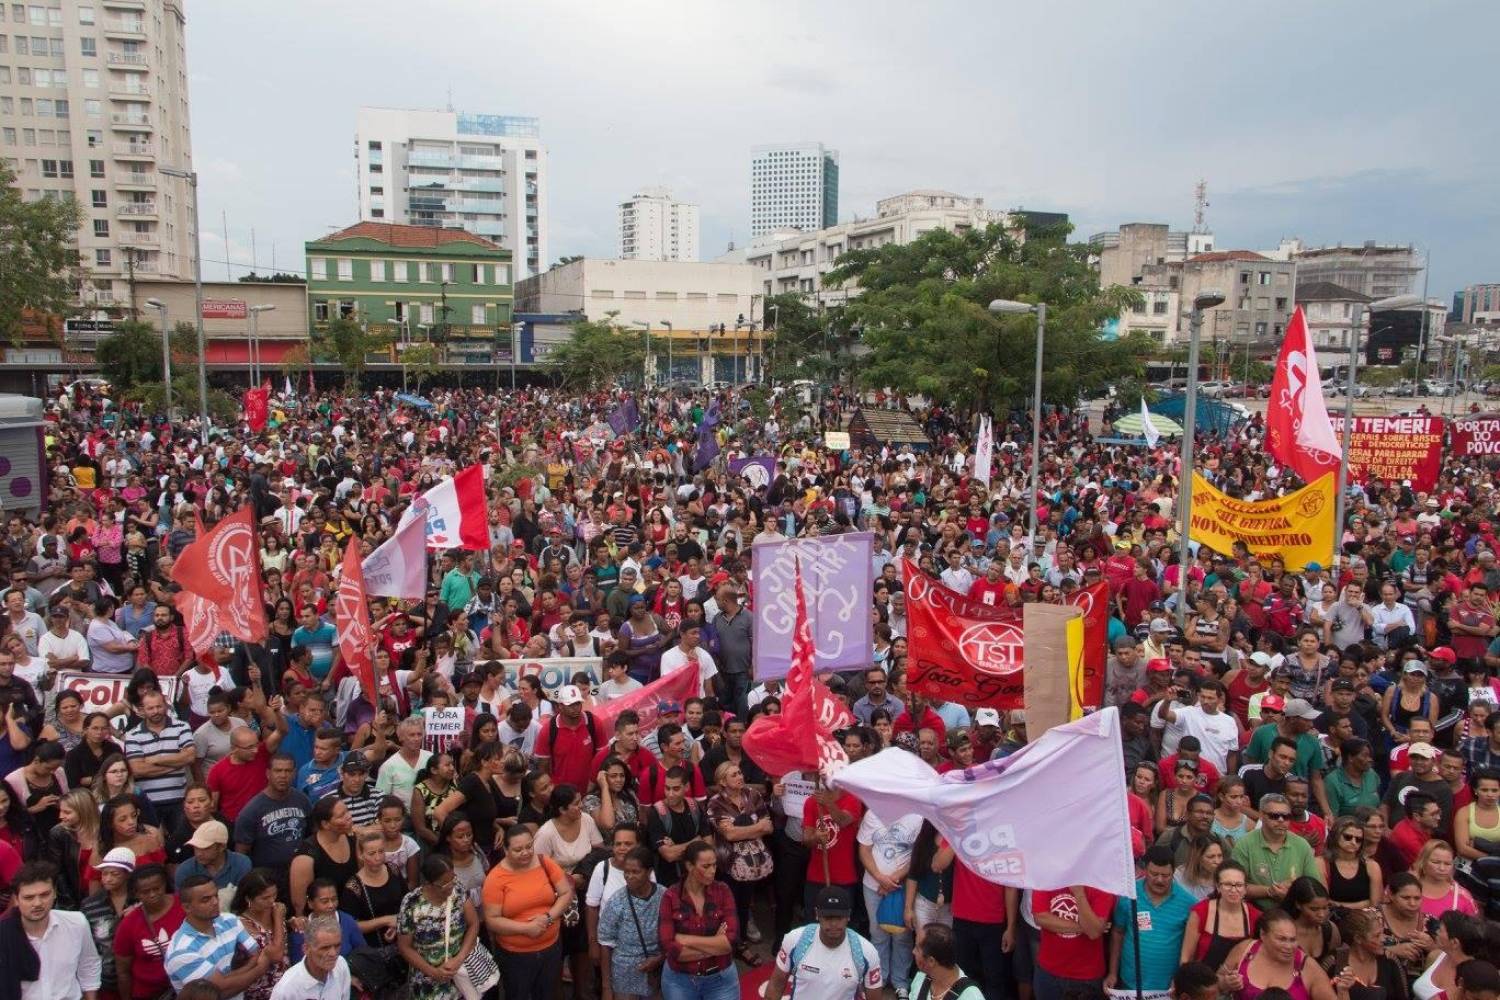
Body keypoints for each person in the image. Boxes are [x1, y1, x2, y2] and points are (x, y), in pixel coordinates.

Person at [482, 824, 572, 1000]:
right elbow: (492, 920)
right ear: (506, 850)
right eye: (518, 849)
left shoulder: (546, 862)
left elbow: (565, 892)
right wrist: (526, 928)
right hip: (515, 955)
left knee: (546, 994)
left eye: (529, 846)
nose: (525, 852)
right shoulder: (496, 878)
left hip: (550, 947)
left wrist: (548, 917)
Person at [706, 761, 773, 965]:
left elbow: (769, 827)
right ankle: (728, 944)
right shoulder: (715, 803)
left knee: (744, 905)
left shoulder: (753, 795)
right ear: (722, 781)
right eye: (734, 775)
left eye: (740, 773)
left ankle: (740, 942)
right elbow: (729, 834)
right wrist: (756, 827)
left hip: (753, 864)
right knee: (728, 905)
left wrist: (745, 830)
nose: (740, 777)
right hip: (728, 863)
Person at [764, 885, 882, 1000]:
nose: (834, 924)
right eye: (828, 917)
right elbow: (776, 985)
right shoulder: (795, 940)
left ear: (848, 915)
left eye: (839, 917)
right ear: (817, 914)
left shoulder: (867, 952)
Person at [165, 873, 272, 998]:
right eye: (206, 899)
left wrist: (227, 979)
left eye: (215, 895)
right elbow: (216, 991)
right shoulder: (181, 951)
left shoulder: (230, 920)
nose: (215, 902)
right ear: (187, 907)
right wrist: (260, 969)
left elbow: (256, 954)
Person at [1108, 845, 1196, 994]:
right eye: (1154, 874)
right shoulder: (1128, 895)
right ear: (1144, 871)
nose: (1159, 880)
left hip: (1168, 988)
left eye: (1166, 875)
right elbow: (1118, 933)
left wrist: (1181, 980)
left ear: (1173, 872)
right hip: (1129, 984)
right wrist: (1112, 973)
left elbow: (1191, 948)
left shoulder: (1189, 903)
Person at [657, 841, 739, 1000]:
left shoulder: (723, 890)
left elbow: (731, 941)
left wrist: (686, 940)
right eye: (706, 866)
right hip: (680, 981)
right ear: (689, 866)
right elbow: (669, 948)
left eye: (714, 865)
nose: (712, 871)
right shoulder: (670, 896)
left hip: (720, 978)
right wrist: (716, 942)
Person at [858, 806, 922, 998]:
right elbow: (864, 849)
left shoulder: (918, 817)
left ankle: (900, 982)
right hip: (872, 885)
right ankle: (879, 978)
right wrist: (879, 877)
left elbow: (918, 856)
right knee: (877, 933)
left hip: (903, 887)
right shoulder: (872, 813)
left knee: (902, 935)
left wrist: (893, 879)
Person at [1217, 908, 1339, 1000]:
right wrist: (1225, 983)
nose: (1289, 946)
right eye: (1282, 939)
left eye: (1293, 940)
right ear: (1263, 935)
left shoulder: (1307, 966)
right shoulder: (1244, 950)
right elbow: (1214, 984)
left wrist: (1343, 990)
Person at [597, 845, 666, 1000]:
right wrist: (606, 987)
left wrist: (660, 958)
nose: (629, 876)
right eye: (626, 872)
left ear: (649, 872)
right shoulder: (617, 901)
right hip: (624, 975)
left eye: (635, 872)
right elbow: (605, 943)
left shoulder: (664, 896)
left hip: (656, 974)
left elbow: (674, 934)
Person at [1231, 792, 1320, 911]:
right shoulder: (1244, 844)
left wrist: (1291, 893)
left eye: (1286, 816)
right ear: (1261, 815)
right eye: (1274, 816)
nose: (1281, 820)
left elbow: (1313, 885)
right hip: (1255, 911)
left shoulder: (1302, 845)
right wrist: (1270, 891)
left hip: (1293, 912)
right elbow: (1235, 885)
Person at [123, 689, 196, 831]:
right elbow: (137, 770)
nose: (156, 711)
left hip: (179, 800)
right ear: (142, 710)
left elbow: (190, 756)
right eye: (150, 708)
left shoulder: (182, 727)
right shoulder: (133, 735)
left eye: (159, 706)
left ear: (166, 706)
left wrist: (155, 759)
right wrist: (175, 765)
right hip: (147, 802)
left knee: (180, 845)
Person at [114, 863, 186, 1000]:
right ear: (136, 893)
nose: (153, 894)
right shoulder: (128, 925)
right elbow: (123, 972)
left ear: (165, 884)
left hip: (187, 987)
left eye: (157, 888)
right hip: (149, 993)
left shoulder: (184, 904)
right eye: (146, 892)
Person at [1032, 882, 1114, 1000]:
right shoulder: (1048, 877)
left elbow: (1094, 933)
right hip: (1048, 971)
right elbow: (1040, 918)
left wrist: (1079, 894)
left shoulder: (1101, 884)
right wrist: (1086, 927)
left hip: (1086, 976)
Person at [1180, 860, 1259, 969]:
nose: (1233, 890)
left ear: (1245, 888)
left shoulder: (1256, 916)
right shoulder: (1201, 911)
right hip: (1203, 983)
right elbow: (1186, 959)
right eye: (1227, 884)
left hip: (1239, 983)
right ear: (1217, 886)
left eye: (1239, 885)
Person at [340, 828, 406, 948]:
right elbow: (350, 925)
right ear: (361, 855)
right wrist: (386, 920)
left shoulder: (393, 870)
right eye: (371, 853)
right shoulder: (354, 887)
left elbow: (407, 901)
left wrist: (396, 924)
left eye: (381, 851)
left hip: (401, 940)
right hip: (372, 949)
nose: (378, 857)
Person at [231, 867, 290, 1000]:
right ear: (248, 898)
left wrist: (292, 922)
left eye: (274, 895)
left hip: (286, 986)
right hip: (260, 991)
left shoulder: (274, 911)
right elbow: (276, 954)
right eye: (265, 898)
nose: (272, 901)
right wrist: (279, 918)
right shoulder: (241, 924)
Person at [269, 915, 351, 1000]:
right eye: (325, 948)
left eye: (337, 946)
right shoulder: (286, 989)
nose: (333, 954)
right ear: (306, 949)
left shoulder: (341, 965)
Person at [1317, 815, 1383, 912]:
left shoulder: (1372, 866)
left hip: (1365, 920)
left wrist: (1339, 905)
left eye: (1358, 839)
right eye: (1348, 837)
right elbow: (1324, 903)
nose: (1353, 842)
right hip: (1332, 919)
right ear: (1336, 836)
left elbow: (1375, 905)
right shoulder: (1321, 863)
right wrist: (1363, 904)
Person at [909, 922, 986, 1000]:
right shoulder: (920, 978)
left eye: (917, 948)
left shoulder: (972, 996)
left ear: (931, 961)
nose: (913, 952)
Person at [1412, 839, 1479, 919]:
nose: (1442, 868)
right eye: (1435, 862)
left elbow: (1474, 929)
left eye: (1447, 864)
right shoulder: (1405, 888)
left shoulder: (1463, 897)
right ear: (1423, 862)